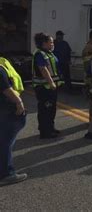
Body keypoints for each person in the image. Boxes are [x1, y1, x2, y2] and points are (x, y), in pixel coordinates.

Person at [0, 56, 27, 186]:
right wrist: (19, 102)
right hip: (6, 108)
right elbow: (6, 88)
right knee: (6, 142)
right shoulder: (0, 68)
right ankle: (6, 174)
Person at [32, 33, 63, 138]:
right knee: (45, 109)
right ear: (44, 43)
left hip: (50, 87)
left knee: (51, 109)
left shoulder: (49, 53)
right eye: (51, 42)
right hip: (44, 87)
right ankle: (45, 132)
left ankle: (50, 128)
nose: (52, 44)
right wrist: (51, 83)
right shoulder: (40, 54)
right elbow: (43, 69)